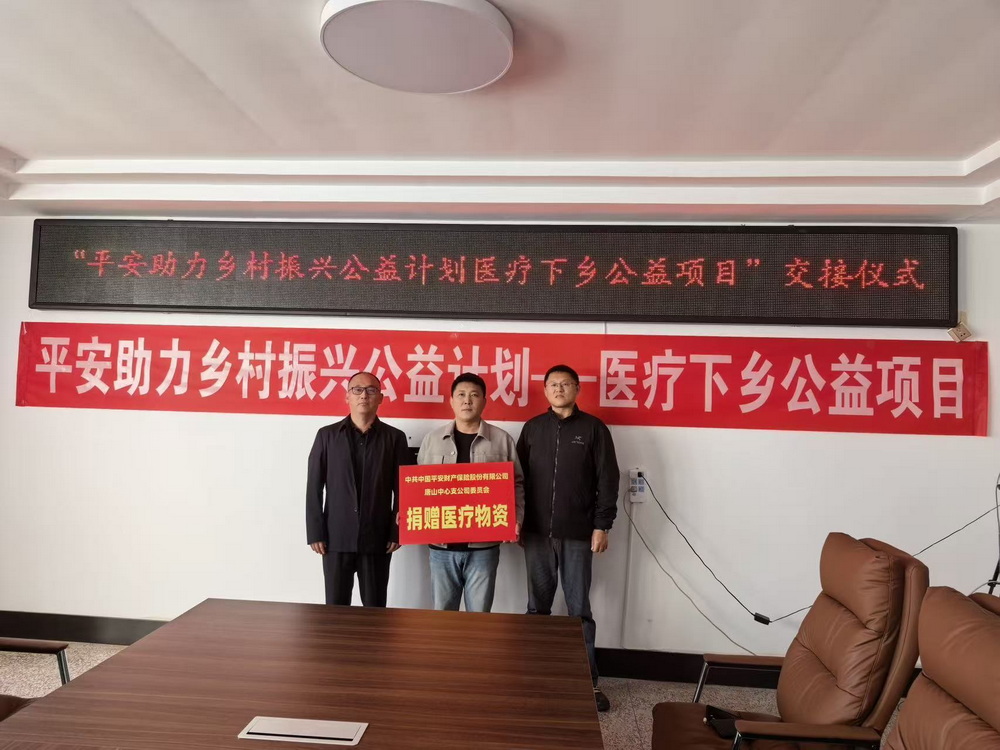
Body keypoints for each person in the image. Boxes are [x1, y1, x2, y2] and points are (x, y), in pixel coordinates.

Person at [516, 364, 620, 712]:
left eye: (565, 384)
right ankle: (533, 676)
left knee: (579, 611)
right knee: (536, 608)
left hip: (578, 534)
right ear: (545, 390)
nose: (559, 389)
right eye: (553, 384)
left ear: (577, 389)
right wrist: (517, 522)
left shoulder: (594, 429)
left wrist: (602, 525)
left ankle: (588, 683)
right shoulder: (532, 429)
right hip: (536, 534)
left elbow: (608, 479)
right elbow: (518, 480)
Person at [417, 373, 525, 612]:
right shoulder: (432, 440)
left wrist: (516, 517)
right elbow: (419, 487)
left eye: (474, 395)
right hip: (441, 546)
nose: (467, 400)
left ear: (484, 401)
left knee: (479, 617)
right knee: (443, 616)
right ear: (451, 401)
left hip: (483, 547)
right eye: (461, 395)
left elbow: (516, 484)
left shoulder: (502, 440)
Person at [306, 371, 411, 607]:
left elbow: (404, 489)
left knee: (375, 610)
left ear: (380, 398)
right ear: (347, 396)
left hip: (377, 538)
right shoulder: (326, 436)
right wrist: (315, 532)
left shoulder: (395, 438)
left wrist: (397, 531)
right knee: (335, 609)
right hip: (335, 537)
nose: (364, 395)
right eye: (358, 390)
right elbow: (314, 486)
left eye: (371, 390)